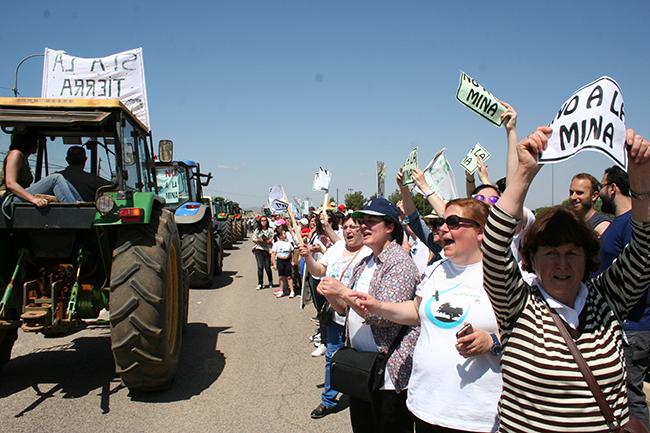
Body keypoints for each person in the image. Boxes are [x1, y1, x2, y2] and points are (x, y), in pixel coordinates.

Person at [482, 126, 650, 431]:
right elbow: (493, 247)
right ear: (531, 258)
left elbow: (644, 249)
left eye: (572, 252)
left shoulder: (607, 298)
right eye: (550, 252)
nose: (562, 264)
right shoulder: (518, 305)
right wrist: (523, 174)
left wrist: (640, 180)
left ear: (587, 257)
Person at [353, 198, 502, 433]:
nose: (442, 228)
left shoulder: (502, 277)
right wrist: (378, 306)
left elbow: (527, 331)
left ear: (481, 231)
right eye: (442, 222)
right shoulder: (435, 270)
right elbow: (415, 311)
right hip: (426, 406)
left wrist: (492, 341)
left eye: (453, 222)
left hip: (476, 414)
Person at [318, 197, 420, 433]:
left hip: (387, 373)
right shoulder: (365, 261)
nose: (363, 226)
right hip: (362, 369)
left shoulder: (399, 263)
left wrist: (342, 291)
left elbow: (385, 316)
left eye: (371, 221)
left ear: (390, 227)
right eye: (362, 221)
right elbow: (344, 310)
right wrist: (332, 296)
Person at [300, 214, 372, 419]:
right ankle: (328, 401)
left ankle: (363, 397)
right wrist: (307, 257)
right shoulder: (336, 249)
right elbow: (318, 271)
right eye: (346, 226)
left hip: (359, 319)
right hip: (335, 317)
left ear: (362, 230)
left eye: (354, 227)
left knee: (360, 360)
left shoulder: (368, 253)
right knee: (332, 358)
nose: (349, 230)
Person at [597, 165, 650, 425]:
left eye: (601, 186)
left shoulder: (630, 222)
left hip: (631, 325)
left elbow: (639, 263)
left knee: (630, 398)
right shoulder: (620, 222)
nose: (599, 193)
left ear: (612, 188)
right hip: (623, 323)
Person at [0, 131, 82, 207]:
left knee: (64, 180)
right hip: (10, 198)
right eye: (37, 140)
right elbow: (10, 183)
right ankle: (74, 209)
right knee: (56, 178)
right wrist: (33, 199)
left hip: (19, 196)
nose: (38, 144)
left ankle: (81, 204)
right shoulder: (15, 154)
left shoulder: (23, 158)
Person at [569, 172, 612, 237]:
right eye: (571, 192)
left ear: (594, 196)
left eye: (579, 193)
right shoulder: (570, 223)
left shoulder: (603, 227)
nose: (573, 197)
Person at [271, 226, 295, 298]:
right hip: (280, 261)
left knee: (289, 277)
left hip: (287, 261)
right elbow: (273, 254)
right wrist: (274, 264)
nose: (285, 235)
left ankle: (292, 291)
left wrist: (292, 261)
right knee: (281, 276)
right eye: (284, 234)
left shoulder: (288, 243)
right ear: (280, 236)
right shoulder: (276, 244)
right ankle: (281, 290)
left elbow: (292, 252)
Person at [252, 215, 274, 290]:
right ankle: (260, 283)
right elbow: (253, 239)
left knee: (267, 267)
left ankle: (270, 282)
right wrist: (259, 240)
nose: (263, 222)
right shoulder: (257, 230)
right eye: (262, 220)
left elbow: (273, 239)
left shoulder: (270, 230)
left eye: (265, 220)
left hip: (267, 250)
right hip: (258, 249)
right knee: (260, 266)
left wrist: (268, 241)